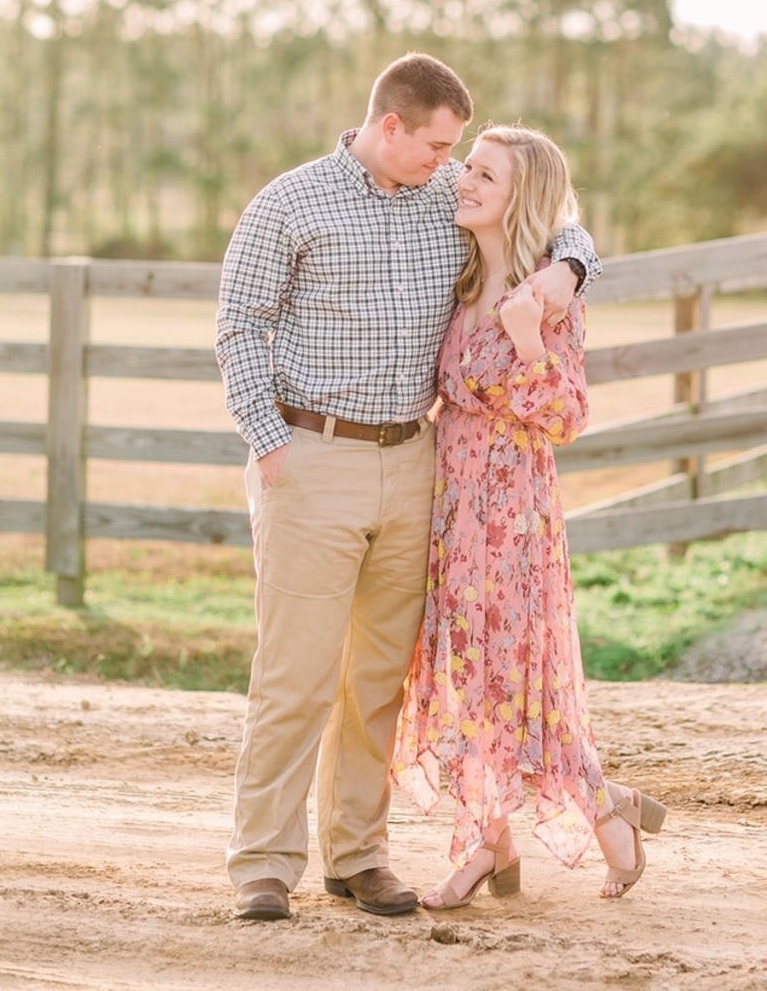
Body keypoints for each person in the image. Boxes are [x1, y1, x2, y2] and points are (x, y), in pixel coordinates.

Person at [214, 53, 601, 921]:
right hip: (311, 456)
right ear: (390, 127)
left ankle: (357, 855)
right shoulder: (291, 201)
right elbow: (239, 325)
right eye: (437, 146)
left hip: (415, 462)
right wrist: (270, 442)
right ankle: (264, 866)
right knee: (296, 674)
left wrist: (571, 266)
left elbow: (555, 216)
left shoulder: (445, 201)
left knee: (380, 679)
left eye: (459, 153)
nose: (450, 164)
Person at [391, 123, 667, 910]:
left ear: (521, 198)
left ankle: (595, 810)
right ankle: (495, 841)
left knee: (520, 676)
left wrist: (525, 334)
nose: (464, 181)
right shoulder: (464, 271)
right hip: (451, 508)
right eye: (467, 167)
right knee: (465, 678)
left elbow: (568, 415)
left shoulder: (546, 294)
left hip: (514, 514)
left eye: (484, 175)